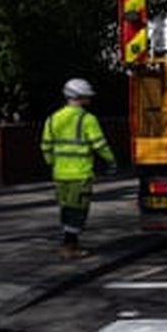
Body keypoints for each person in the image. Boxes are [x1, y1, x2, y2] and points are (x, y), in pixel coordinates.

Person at [41, 78, 117, 260]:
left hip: (60, 174)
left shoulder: (53, 119)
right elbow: (99, 145)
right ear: (79, 96)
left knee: (66, 209)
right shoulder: (87, 120)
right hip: (80, 173)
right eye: (87, 96)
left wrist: (53, 163)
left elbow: (45, 146)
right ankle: (69, 246)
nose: (89, 99)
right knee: (78, 210)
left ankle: (70, 243)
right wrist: (111, 161)